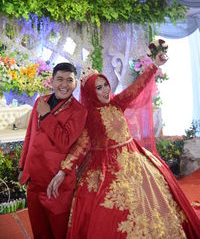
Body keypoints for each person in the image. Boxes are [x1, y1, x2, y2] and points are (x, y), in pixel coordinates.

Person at [49, 54, 200, 239]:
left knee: (153, 204)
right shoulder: (88, 117)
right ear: (89, 91)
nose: (105, 90)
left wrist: (154, 65)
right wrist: (63, 171)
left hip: (136, 162)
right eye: (99, 88)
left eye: (105, 85)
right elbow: (80, 146)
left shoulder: (116, 103)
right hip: (107, 170)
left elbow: (136, 88)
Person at [18, 62, 87, 239]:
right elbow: (30, 136)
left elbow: (65, 141)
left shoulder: (79, 111)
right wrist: (22, 167)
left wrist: (47, 116)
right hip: (34, 178)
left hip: (56, 182)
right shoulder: (41, 102)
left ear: (76, 83)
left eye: (69, 80)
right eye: (60, 79)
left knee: (59, 230)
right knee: (39, 229)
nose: (64, 84)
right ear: (52, 80)